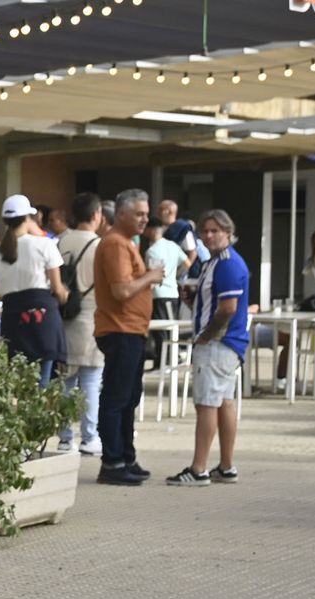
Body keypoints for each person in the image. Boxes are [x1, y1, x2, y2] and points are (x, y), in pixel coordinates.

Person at [168, 210, 250, 487]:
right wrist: (195, 303)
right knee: (224, 402)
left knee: (206, 404)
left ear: (228, 232)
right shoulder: (216, 262)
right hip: (228, 344)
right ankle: (226, 466)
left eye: (215, 231)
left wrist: (207, 334)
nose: (209, 236)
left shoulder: (226, 264)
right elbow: (218, 304)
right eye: (205, 231)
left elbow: (228, 308)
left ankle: (198, 468)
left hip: (218, 344)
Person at [93, 189, 164, 488]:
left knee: (129, 397)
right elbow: (122, 290)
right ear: (121, 214)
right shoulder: (115, 244)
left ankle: (126, 457)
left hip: (132, 329)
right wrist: (151, 276)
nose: (145, 219)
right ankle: (112, 462)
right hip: (119, 329)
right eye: (139, 214)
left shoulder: (128, 244)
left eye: (146, 214)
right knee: (117, 397)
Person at [0, 195, 68, 384]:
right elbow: (58, 289)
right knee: (44, 379)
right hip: (42, 317)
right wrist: (66, 295)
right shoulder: (45, 244)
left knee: (18, 381)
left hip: (13, 317)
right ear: (28, 218)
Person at [56, 193, 104, 454]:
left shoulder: (59, 242)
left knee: (65, 382)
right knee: (90, 382)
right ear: (96, 214)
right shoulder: (100, 246)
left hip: (63, 319)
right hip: (91, 318)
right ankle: (89, 437)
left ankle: (65, 438)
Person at [143, 220, 186, 369]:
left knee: (161, 330)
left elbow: (153, 277)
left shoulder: (152, 251)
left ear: (152, 230)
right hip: (173, 292)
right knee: (170, 328)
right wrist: (175, 276)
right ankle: (168, 359)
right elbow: (186, 263)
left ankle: (163, 362)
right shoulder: (173, 246)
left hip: (159, 293)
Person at [157, 199, 201, 277]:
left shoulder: (182, 229)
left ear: (170, 211)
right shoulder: (161, 229)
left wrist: (179, 273)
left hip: (180, 276)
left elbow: (192, 252)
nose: (158, 213)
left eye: (161, 209)